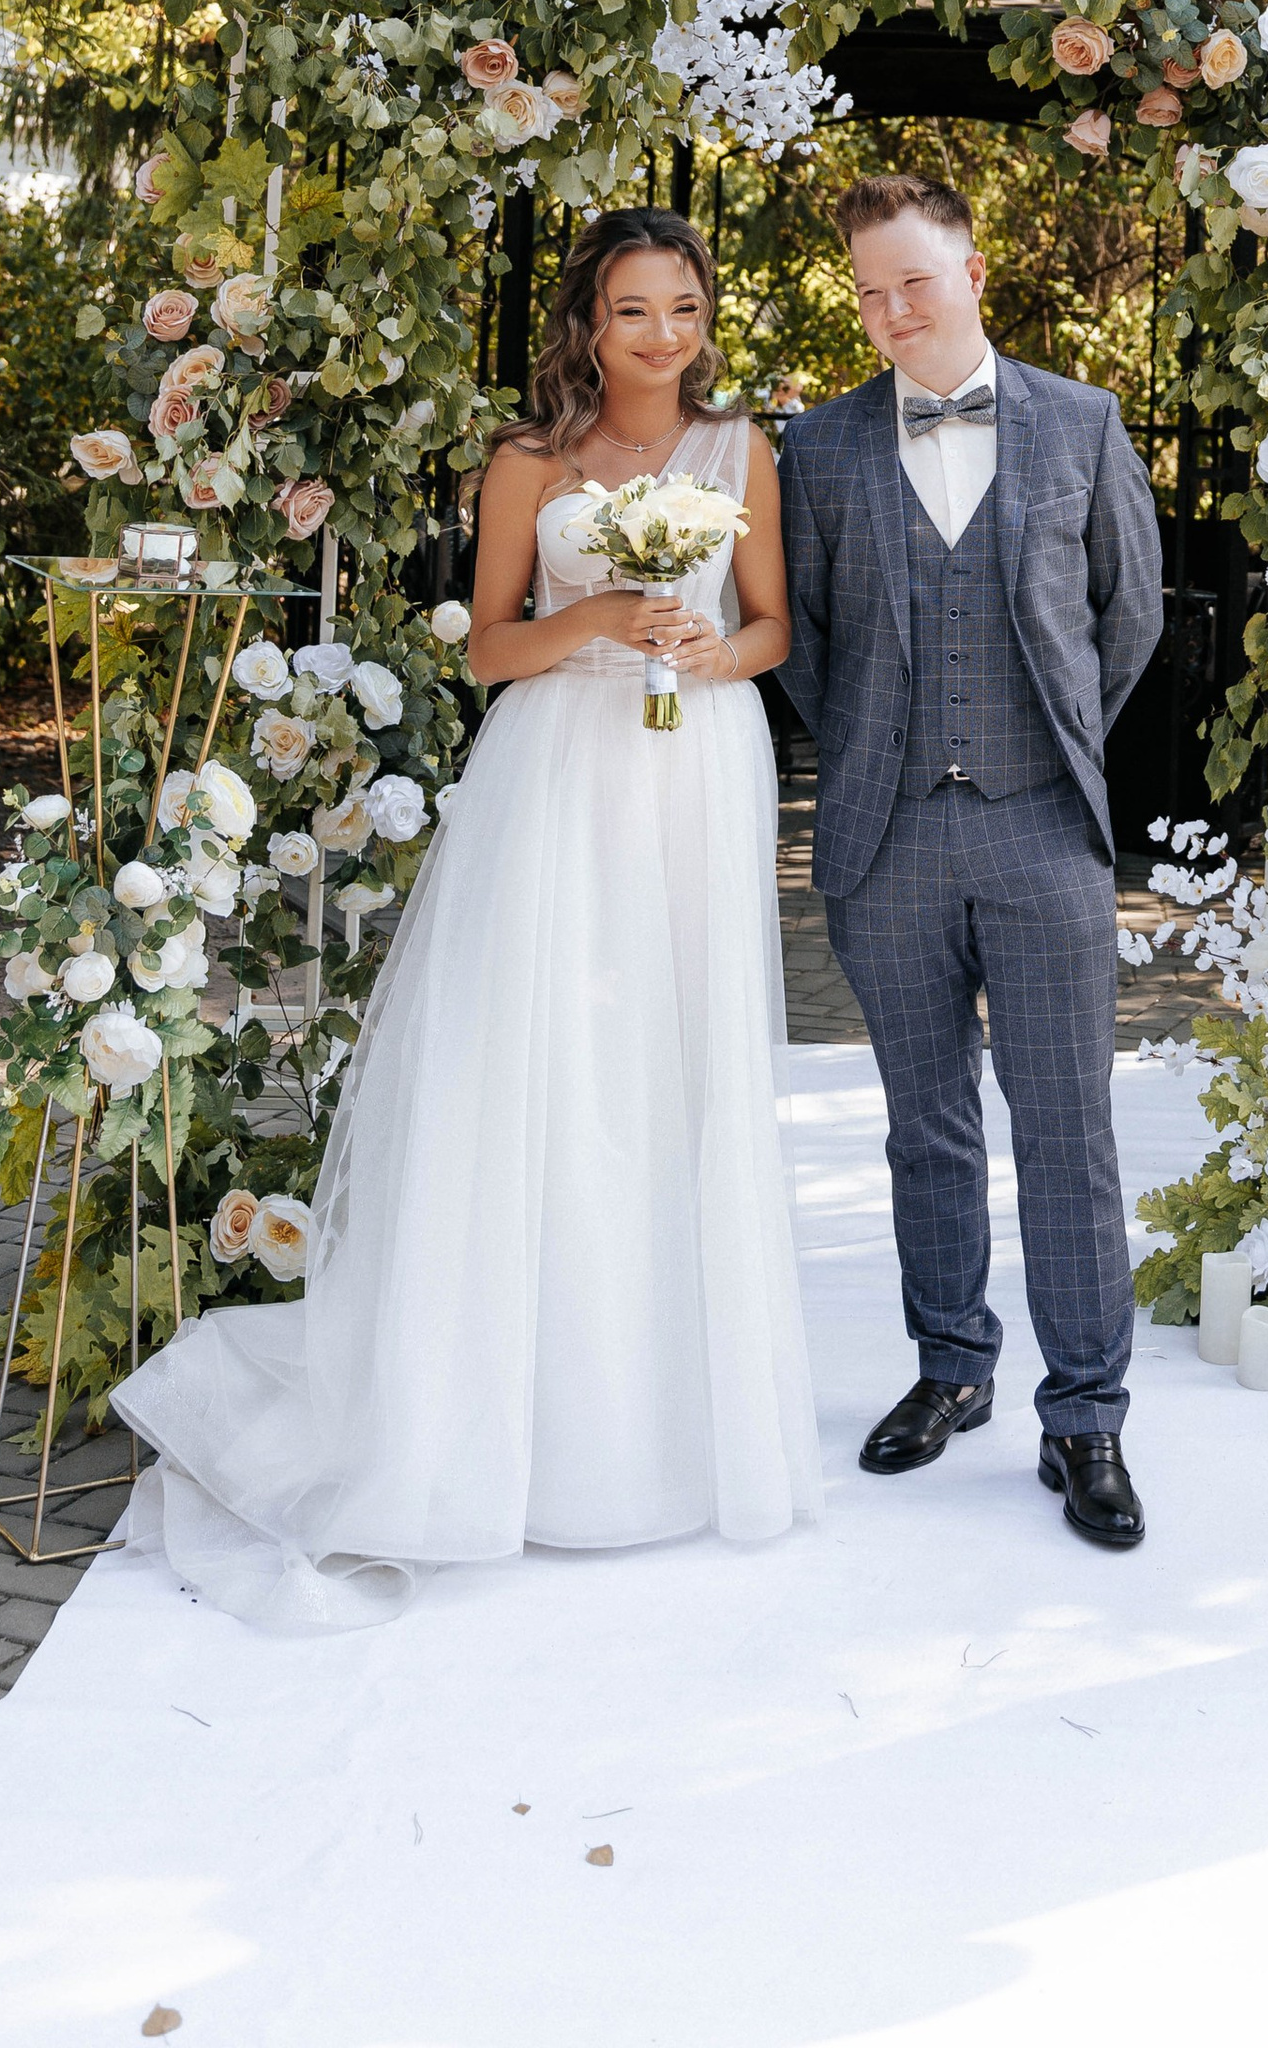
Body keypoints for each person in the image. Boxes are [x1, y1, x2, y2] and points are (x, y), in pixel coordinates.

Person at [112, 210, 820, 1631]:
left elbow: (774, 630)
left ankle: (677, 1421)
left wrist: (703, 644)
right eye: (634, 311)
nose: (662, 338)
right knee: (542, 1070)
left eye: (683, 309)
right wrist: (600, 617)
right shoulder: (528, 462)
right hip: (556, 774)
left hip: (697, 769)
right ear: (589, 321)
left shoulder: (741, 452)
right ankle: (515, 1424)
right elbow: (493, 647)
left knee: (679, 1067)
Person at [777, 171, 1164, 1551]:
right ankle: (952, 1368)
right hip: (885, 839)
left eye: (913, 282)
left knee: (1069, 1131)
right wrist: (890, 747)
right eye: (869, 291)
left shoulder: (1080, 422)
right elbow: (806, 645)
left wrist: (1046, 745)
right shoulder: (814, 450)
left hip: (1043, 829)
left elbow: (1129, 613)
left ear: (974, 271)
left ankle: (1088, 1416)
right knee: (923, 1127)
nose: (889, 312)